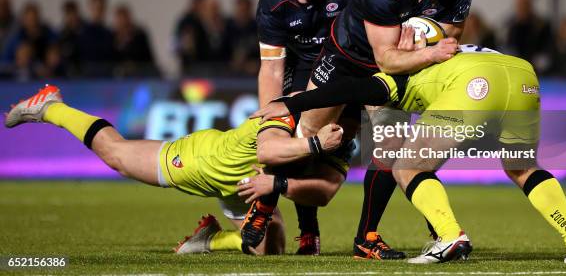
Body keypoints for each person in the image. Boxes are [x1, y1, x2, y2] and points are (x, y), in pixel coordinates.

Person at [252, 28, 566, 265]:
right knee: (521, 167)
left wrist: (290, 104)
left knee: (406, 166)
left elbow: (344, 92)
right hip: (521, 73)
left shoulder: (399, 71)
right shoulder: (453, 49)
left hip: (475, 85)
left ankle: (449, 235)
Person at [287, 0, 470, 260]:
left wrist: (427, 51)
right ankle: (304, 229)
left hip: (395, 70)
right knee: (307, 135)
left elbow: (450, 41)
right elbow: (388, 58)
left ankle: (366, 238)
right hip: (346, 60)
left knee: (391, 146)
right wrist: (428, 52)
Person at [4, 85, 345, 256]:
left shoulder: (343, 124)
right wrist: (315, 146)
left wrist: (285, 180)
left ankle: (210, 239)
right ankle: (52, 107)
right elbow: (268, 149)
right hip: (204, 161)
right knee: (116, 154)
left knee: (270, 250)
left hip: (244, 184)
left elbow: (324, 191)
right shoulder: (295, 107)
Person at [251, 0, 359, 255]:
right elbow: (271, 65)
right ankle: (303, 229)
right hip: (299, 71)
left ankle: (365, 234)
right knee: (291, 141)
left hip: (346, 70)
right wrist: (270, 124)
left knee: (325, 159)